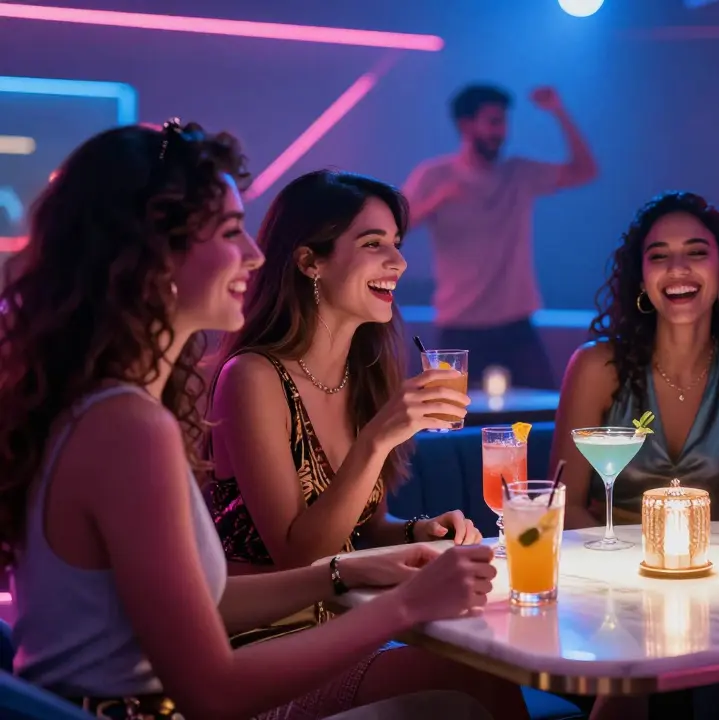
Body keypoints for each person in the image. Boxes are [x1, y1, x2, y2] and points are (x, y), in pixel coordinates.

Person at [0, 122, 500, 719]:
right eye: (233, 231)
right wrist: (405, 606)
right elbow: (213, 691)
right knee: (466, 693)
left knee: (469, 684)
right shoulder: (129, 427)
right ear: (154, 250)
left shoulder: (114, 408)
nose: (256, 255)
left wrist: (360, 568)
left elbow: (203, 605)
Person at [203, 169, 529, 719]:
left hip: (346, 633)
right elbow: (304, 554)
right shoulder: (252, 377)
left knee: (491, 666)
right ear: (310, 262)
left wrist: (412, 529)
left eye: (397, 244)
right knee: (475, 678)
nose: (398, 262)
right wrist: (377, 439)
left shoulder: (364, 373)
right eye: (373, 243)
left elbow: (357, 528)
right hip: (262, 651)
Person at [551, 191, 719, 720]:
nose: (677, 268)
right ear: (641, 278)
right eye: (658, 256)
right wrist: (634, 583)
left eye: (696, 252)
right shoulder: (595, 367)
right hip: (601, 581)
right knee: (636, 673)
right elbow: (564, 504)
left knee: (717, 681)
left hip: (709, 582)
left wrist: (686, 588)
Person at [403, 83, 598, 389]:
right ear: (466, 124)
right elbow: (395, 230)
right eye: (493, 122)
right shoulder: (434, 175)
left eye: (504, 122)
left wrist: (559, 111)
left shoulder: (519, 172)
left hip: (515, 323)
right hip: (459, 325)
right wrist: (436, 201)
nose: (501, 131)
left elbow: (586, 171)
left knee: (544, 416)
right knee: (449, 420)